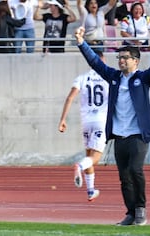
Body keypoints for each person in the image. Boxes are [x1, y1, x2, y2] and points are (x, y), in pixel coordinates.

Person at [75, 26, 150, 225]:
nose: (121, 60)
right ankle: (130, 212)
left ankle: (141, 209)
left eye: (125, 57)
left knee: (135, 170)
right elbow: (96, 63)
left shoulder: (142, 78)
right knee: (124, 176)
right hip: (119, 135)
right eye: (119, 57)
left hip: (137, 135)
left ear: (135, 60)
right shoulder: (114, 77)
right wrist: (81, 42)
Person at [58, 50, 108, 201]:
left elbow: (70, 97)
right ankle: (79, 166)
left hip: (86, 122)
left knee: (89, 156)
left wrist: (63, 119)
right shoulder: (108, 77)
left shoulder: (82, 77)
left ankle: (91, 190)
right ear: (101, 60)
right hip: (101, 120)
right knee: (96, 158)